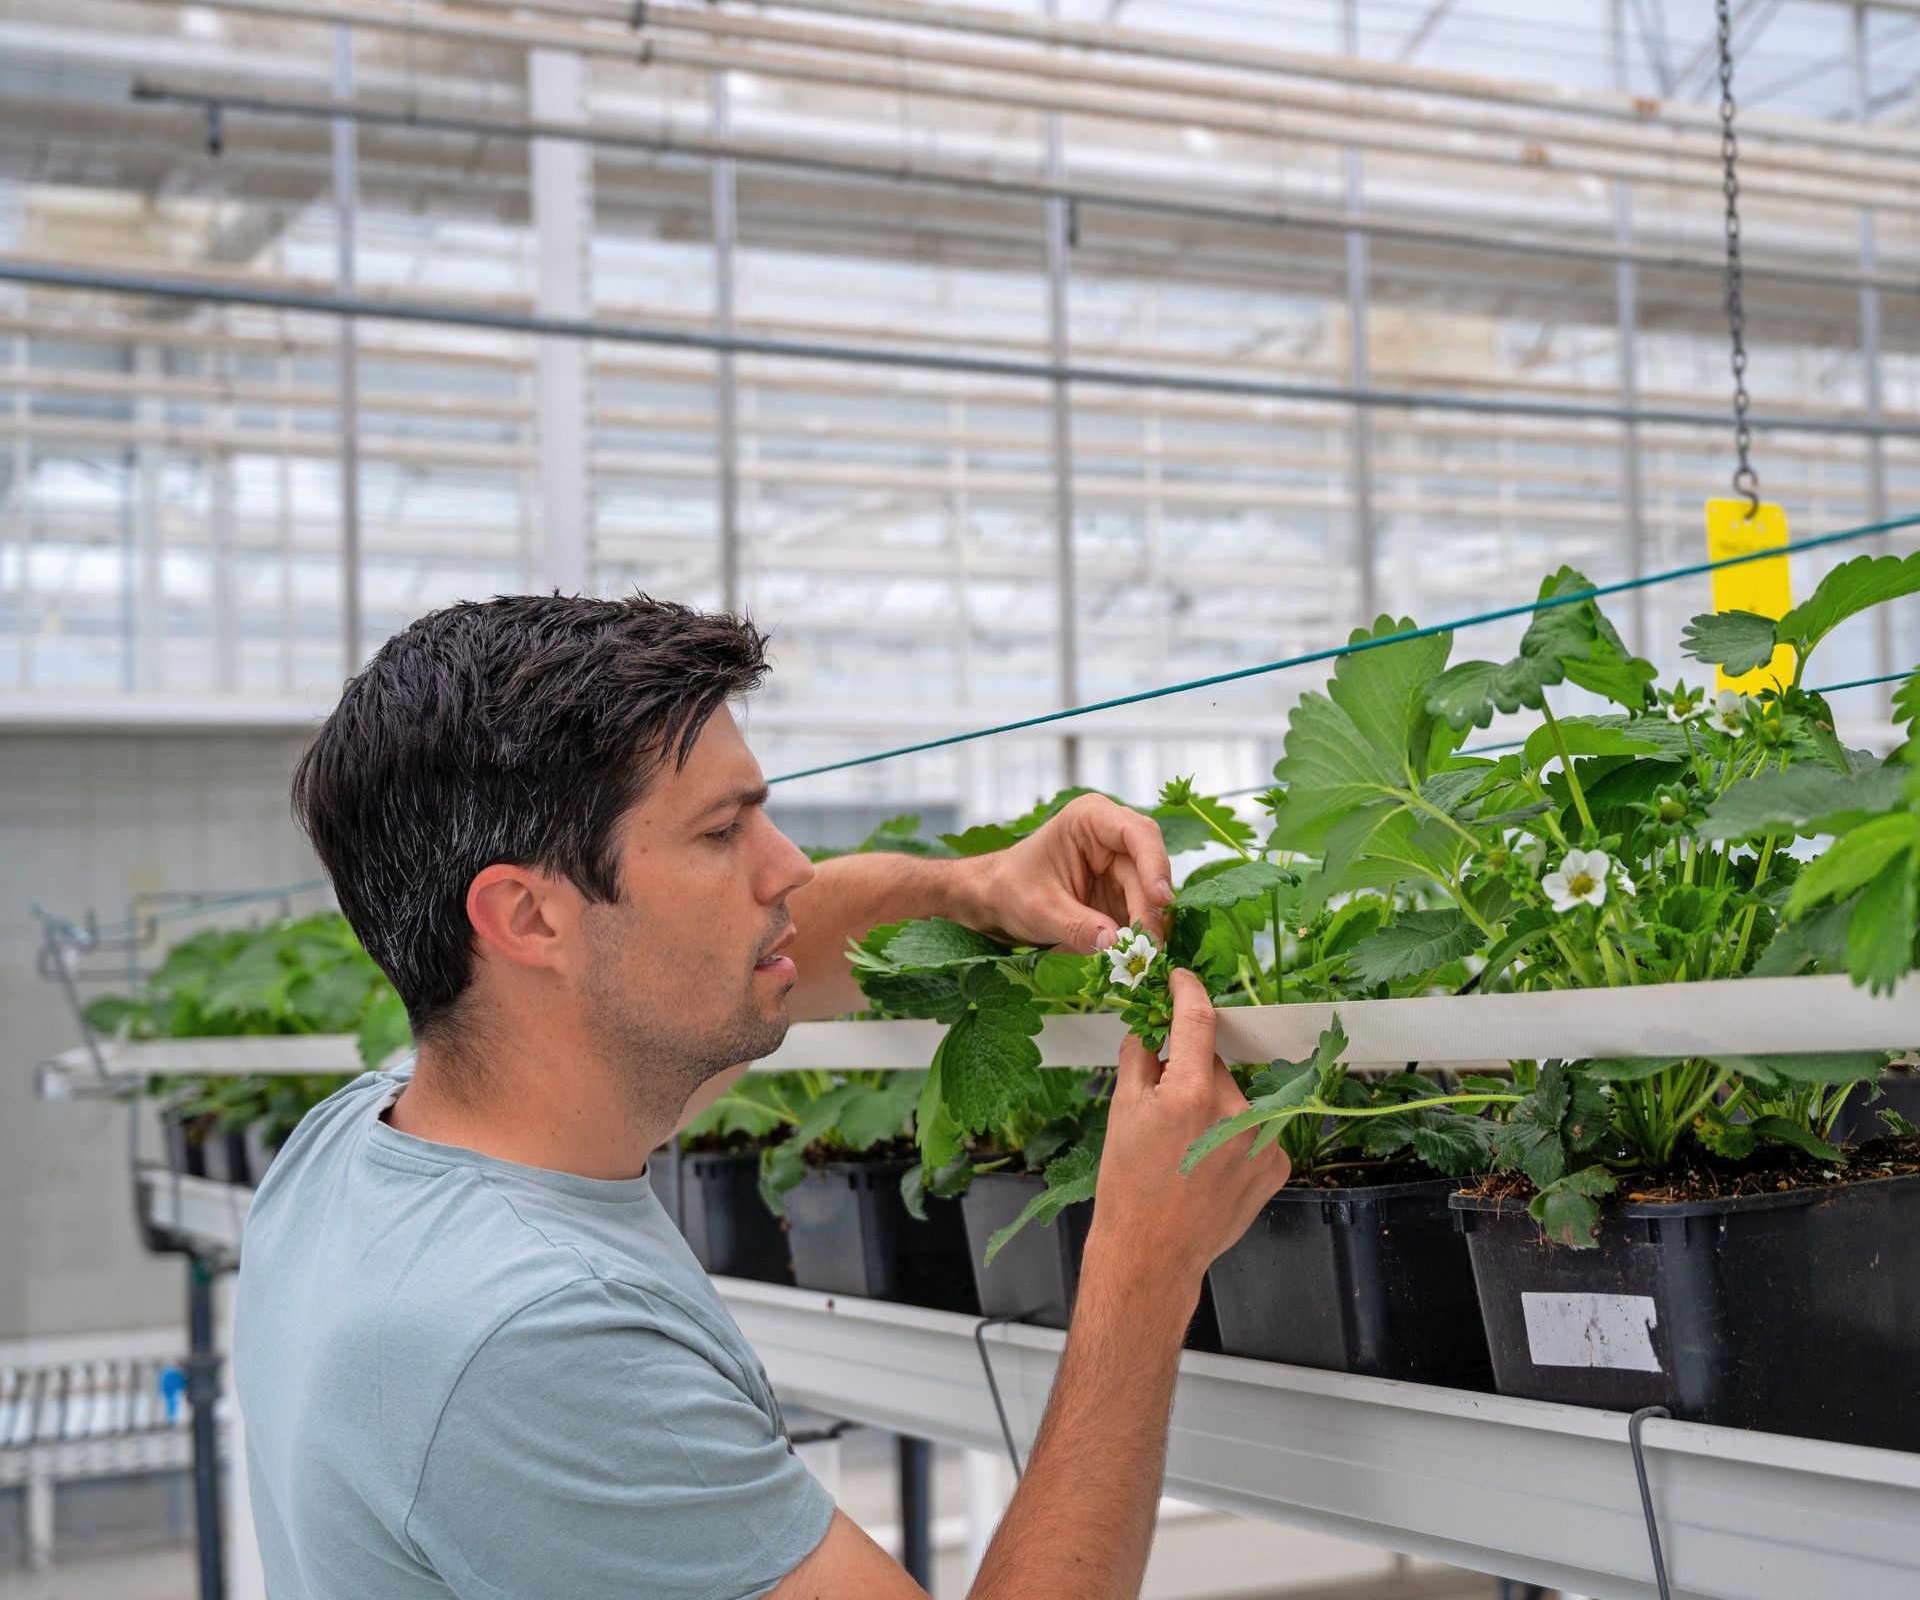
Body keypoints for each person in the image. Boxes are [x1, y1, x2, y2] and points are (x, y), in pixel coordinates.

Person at [235, 594, 1288, 1600]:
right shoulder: (532, 1340)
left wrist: (969, 885)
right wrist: (1141, 1268)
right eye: (720, 832)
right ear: (529, 918)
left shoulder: (358, 1145)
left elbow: (775, 945)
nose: (787, 866)